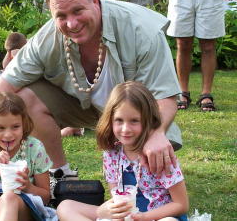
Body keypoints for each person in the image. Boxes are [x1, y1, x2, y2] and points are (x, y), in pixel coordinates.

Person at [0, 0, 182, 191]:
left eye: (78, 10)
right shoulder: (47, 38)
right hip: (83, 107)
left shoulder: (141, 30)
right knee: (23, 98)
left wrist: (156, 133)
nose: (71, 23)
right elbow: (5, 85)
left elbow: (165, 98)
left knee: (145, 193)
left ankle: (145, 161)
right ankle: (61, 178)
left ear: (95, 0)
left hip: (138, 117)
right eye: (61, 16)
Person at [57, 82, 189, 221]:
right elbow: (116, 198)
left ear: (148, 121)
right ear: (110, 120)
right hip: (126, 216)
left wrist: (144, 217)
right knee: (65, 207)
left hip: (157, 216)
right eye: (119, 120)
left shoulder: (159, 154)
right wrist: (105, 210)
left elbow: (181, 204)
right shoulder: (111, 154)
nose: (125, 129)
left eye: (134, 121)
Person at [0, 92, 53, 221]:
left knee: (8, 198)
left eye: (15, 127)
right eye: (0, 128)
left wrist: (28, 186)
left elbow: (46, 197)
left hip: (23, 211)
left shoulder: (34, 149)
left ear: (24, 124)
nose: (8, 135)